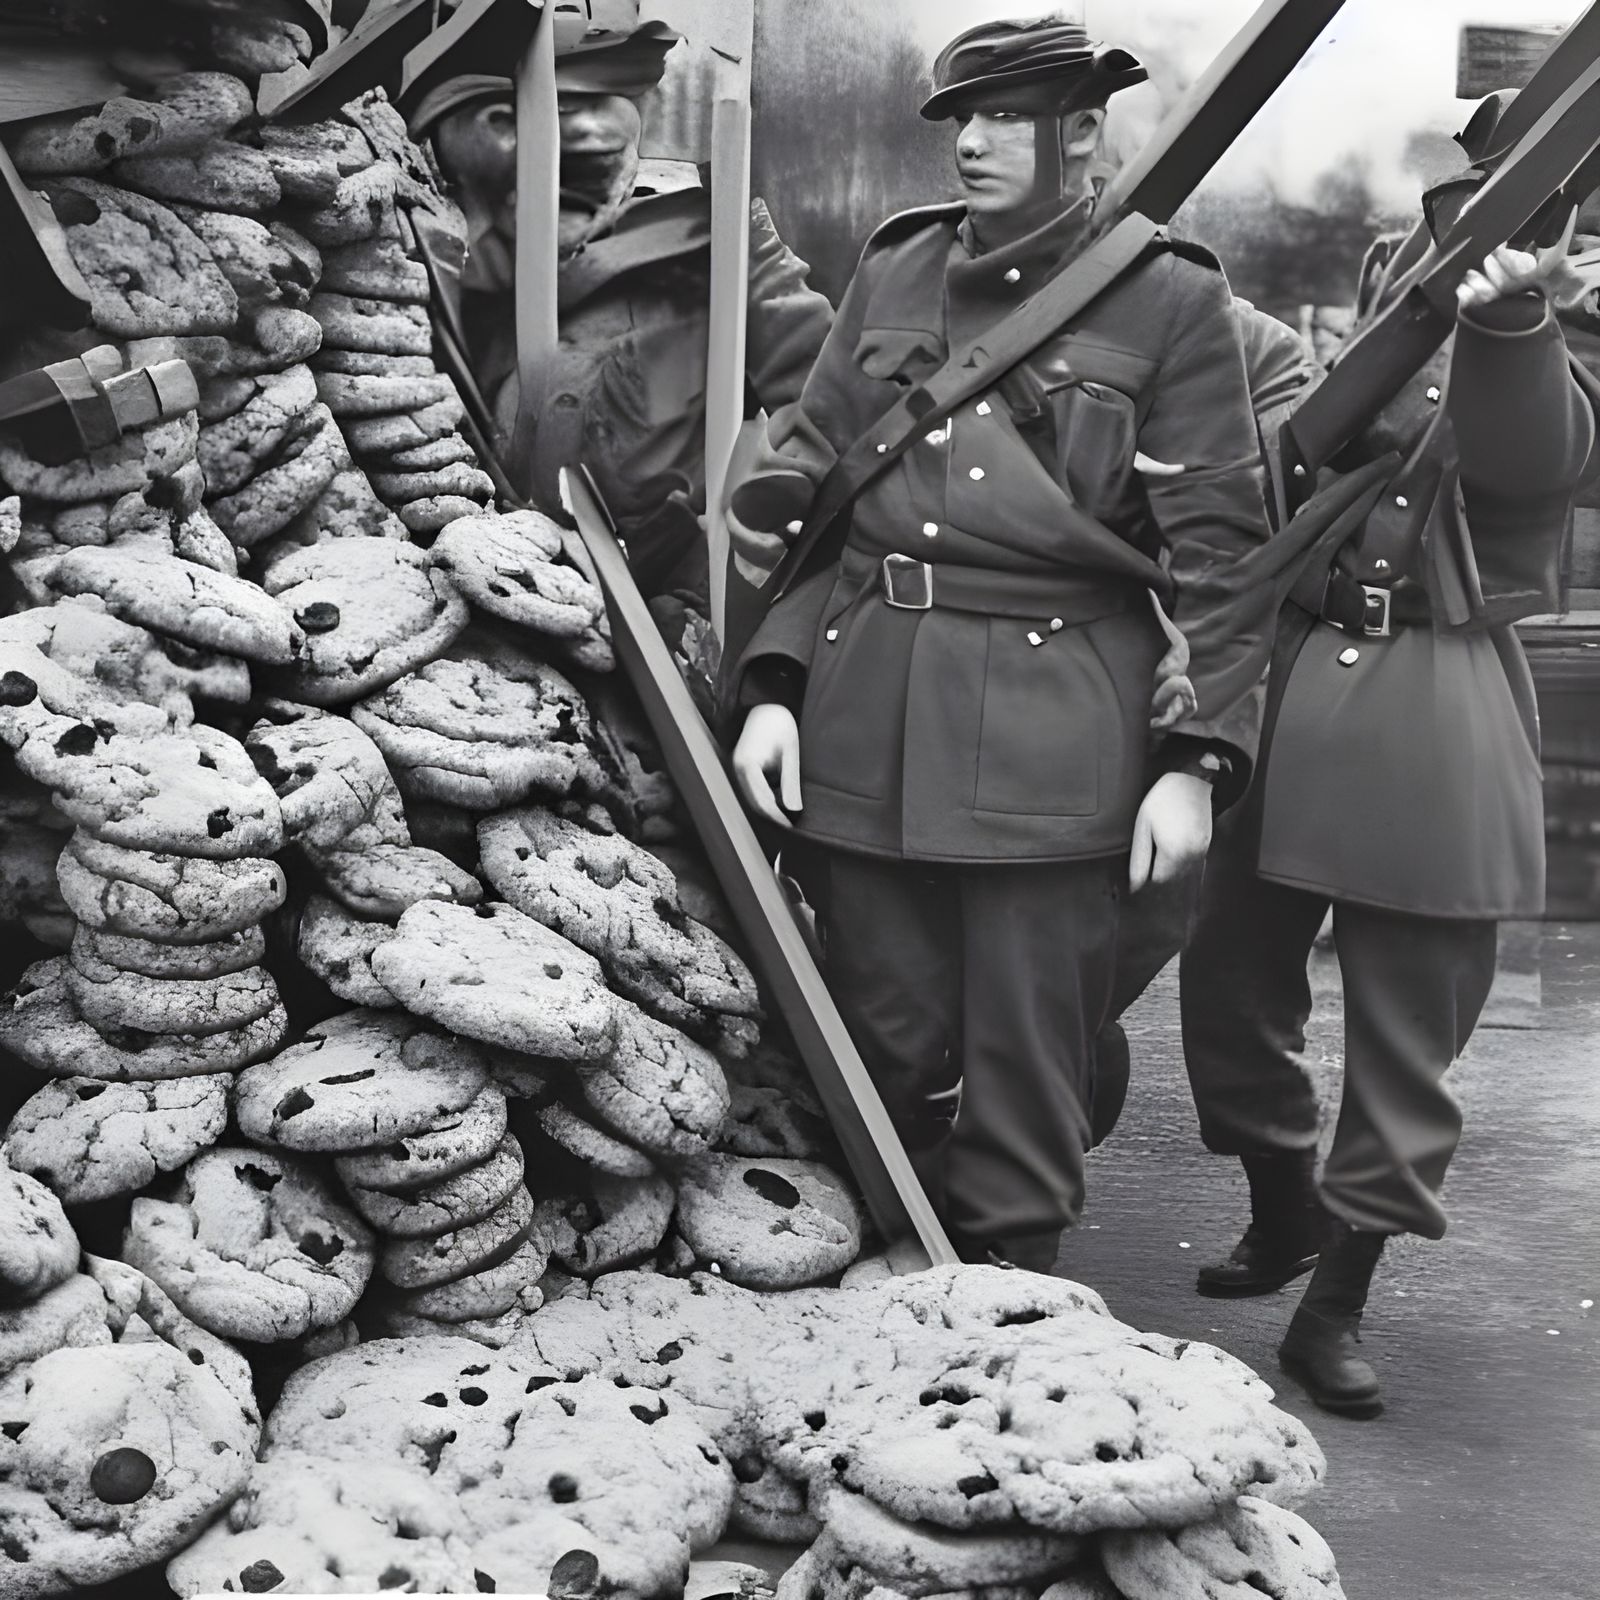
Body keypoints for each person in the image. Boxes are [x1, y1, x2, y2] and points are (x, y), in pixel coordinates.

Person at [723, 15, 1278, 1271]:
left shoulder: (1172, 297)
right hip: (867, 708)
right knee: (874, 1039)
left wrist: (1193, 759)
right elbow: (819, 500)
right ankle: (882, 1308)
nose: (969, 143)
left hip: (1052, 733)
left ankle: (1014, 1329)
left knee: (1030, 1062)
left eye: (1004, 119)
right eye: (959, 121)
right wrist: (773, 681)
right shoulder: (896, 268)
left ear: (1079, 133)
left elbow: (1222, 559)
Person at [1179, 221, 1598, 1416]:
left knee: (1409, 1032)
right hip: (1297, 674)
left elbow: (1531, 456)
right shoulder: (1372, 330)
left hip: (1437, 698)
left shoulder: (1562, 344)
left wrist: (1514, 319)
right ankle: (1283, 1204)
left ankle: (1336, 1306)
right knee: (1226, 970)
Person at [407, 11, 834, 693]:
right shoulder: (416, 253)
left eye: (604, 106)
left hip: (666, 639)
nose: (580, 131)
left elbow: (831, 405)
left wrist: (753, 537)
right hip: (466, 624)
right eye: (554, 110)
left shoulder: (711, 242)